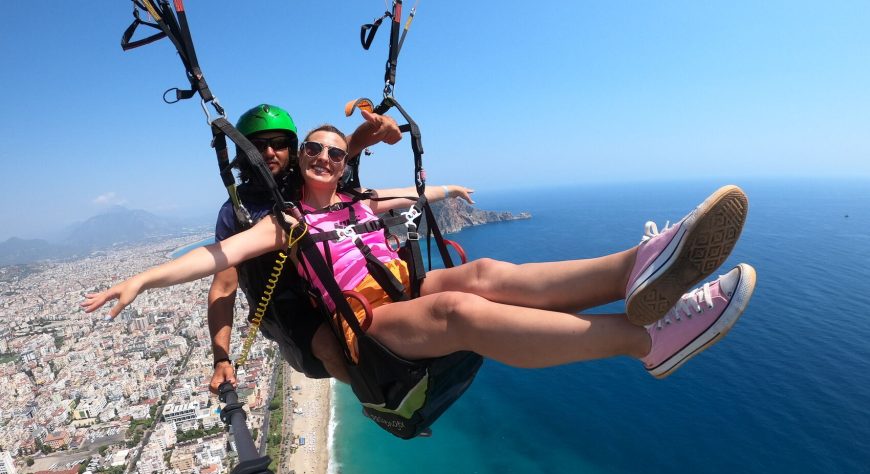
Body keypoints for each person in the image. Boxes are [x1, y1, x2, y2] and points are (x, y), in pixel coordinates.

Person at [82, 125, 757, 381]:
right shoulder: (283, 222)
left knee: (487, 271)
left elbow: (401, 192)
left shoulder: (356, 201)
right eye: (312, 150)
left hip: (402, 291)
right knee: (462, 311)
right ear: (298, 166)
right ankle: (646, 341)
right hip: (366, 325)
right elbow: (213, 255)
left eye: (333, 152)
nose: (321, 157)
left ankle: (637, 266)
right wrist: (143, 278)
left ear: (343, 164)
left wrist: (448, 186)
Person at [208, 104, 474, 392]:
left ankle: (421, 364)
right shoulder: (237, 213)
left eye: (280, 144)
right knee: (329, 347)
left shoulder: (307, 179)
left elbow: (345, 147)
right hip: (285, 302)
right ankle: (381, 399)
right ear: (243, 154)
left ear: (292, 149)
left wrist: (376, 128)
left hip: (333, 281)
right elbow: (223, 288)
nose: (270, 152)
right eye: (258, 146)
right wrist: (221, 357)